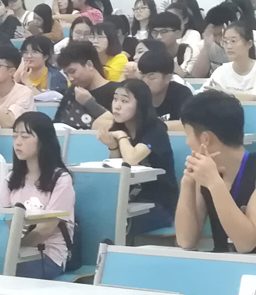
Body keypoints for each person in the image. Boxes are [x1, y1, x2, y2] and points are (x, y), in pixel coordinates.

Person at [175, 90, 256, 257]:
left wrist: (215, 184)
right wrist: (187, 182)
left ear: (205, 139)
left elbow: (245, 243)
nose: (187, 142)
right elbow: (185, 240)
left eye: (188, 135)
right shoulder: (205, 174)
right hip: (226, 267)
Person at [94, 78, 177, 235]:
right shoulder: (120, 128)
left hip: (158, 205)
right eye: (115, 99)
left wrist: (121, 136)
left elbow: (131, 159)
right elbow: (118, 169)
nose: (117, 105)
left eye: (125, 101)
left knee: (115, 223)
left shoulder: (156, 130)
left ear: (141, 104)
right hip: (129, 201)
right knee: (98, 216)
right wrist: (113, 146)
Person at [6, 113, 76, 278]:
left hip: (48, 255)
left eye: (25, 136)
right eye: (15, 136)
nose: (18, 142)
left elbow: (46, 229)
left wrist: (13, 248)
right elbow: (2, 220)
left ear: (43, 141)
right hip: (16, 252)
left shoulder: (61, 180)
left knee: (6, 272)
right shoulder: (10, 179)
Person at [53, 40, 116, 130]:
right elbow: (57, 123)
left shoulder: (115, 92)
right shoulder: (71, 92)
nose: (70, 79)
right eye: (67, 74)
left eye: (72, 71)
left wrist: (90, 103)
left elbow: (118, 127)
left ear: (89, 65)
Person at [206, 17, 256, 98]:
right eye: (225, 42)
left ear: (249, 44)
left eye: (233, 41)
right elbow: (204, 92)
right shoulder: (221, 71)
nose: (228, 46)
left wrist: (224, 94)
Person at [135, 45, 193, 123]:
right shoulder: (135, 94)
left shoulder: (181, 93)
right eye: (142, 76)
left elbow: (188, 124)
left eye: (151, 77)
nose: (145, 81)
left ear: (167, 78)